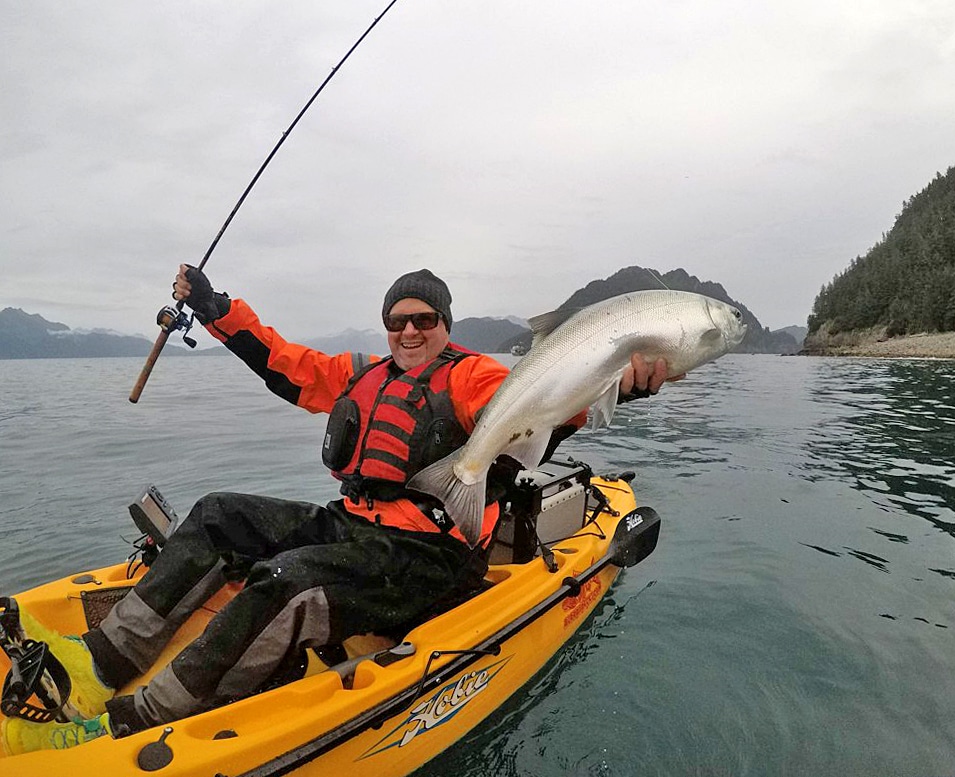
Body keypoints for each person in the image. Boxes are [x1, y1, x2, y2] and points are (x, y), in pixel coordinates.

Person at [2, 267, 673, 755]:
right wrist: (214, 307)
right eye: (397, 320)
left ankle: (136, 718)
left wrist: (625, 386)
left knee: (290, 577)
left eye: (424, 320)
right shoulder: (362, 375)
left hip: (430, 557)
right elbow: (280, 360)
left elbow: (545, 401)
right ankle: (96, 664)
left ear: (445, 325)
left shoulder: (476, 378)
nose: (409, 330)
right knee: (216, 514)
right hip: (355, 526)